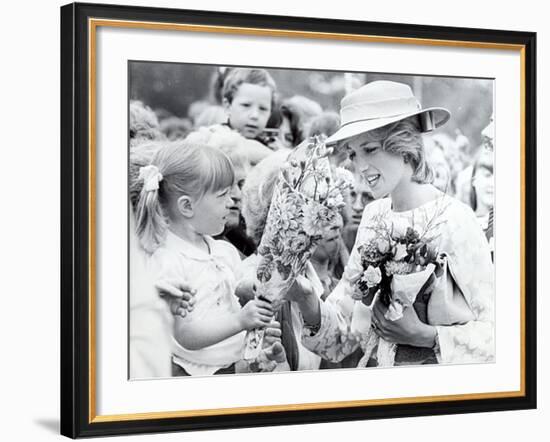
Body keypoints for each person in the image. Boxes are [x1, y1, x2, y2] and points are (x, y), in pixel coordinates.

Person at [291, 81, 494, 366]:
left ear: (404, 143)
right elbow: (345, 335)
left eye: (370, 149)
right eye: (353, 154)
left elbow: (499, 335)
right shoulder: (374, 216)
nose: (360, 167)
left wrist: (427, 336)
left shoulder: (456, 219)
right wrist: (307, 301)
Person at [134, 140, 281, 376]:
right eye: (222, 194)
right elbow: (185, 336)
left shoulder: (223, 250)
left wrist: (255, 308)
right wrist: (240, 322)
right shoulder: (168, 260)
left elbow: (237, 295)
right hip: (192, 375)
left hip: (232, 367)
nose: (233, 200)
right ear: (187, 206)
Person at [222, 68, 277, 144]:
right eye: (246, 105)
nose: (255, 115)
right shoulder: (212, 142)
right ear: (228, 106)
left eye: (263, 109)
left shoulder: (274, 149)